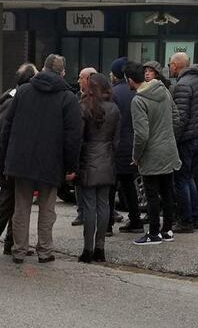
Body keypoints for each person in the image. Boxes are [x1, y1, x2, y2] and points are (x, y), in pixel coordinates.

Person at [1, 54, 82, 264]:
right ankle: (45, 251)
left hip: (21, 160)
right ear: (62, 72)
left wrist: (7, 155)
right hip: (51, 161)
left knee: (21, 207)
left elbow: (6, 126)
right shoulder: (68, 98)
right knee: (47, 208)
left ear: (43, 69)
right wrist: (71, 165)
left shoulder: (23, 91)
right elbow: (73, 136)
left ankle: (18, 250)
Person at [0, 63, 38, 261]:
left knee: (17, 204)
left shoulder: (15, 97)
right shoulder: (13, 101)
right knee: (7, 205)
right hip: (8, 163)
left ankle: (10, 244)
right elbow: (4, 136)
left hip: (12, 161)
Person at [125, 62, 182, 245]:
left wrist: (136, 156)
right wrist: (167, 136)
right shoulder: (164, 90)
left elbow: (141, 134)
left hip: (151, 153)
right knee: (167, 192)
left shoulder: (138, 100)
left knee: (151, 195)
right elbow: (176, 116)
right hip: (169, 150)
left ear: (131, 80)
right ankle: (167, 230)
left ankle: (154, 233)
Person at [76, 73, 121, 263]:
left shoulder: (85, 107)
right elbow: (117, 141)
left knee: (88, 207)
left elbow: (78, 138)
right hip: (107, 158)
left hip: (88, 159)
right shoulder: (114, 109)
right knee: (104, 205)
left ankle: (87, 249)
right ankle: (100, 248)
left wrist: (74, 162)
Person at [168, 52, 198, 232]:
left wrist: (174, 139)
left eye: (170, 64)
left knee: (181, 179)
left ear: (176, 65)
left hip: (187, 138)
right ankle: (195, 217)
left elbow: (181, 117)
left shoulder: (183, 85)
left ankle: (186, 220)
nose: (169, 67)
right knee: (190, 178)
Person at [110, 57, 144, 234]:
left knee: (109, 185)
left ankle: (107, 224)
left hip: (117, 144)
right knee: (128, 184)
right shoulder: (138, 91)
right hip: (134, 144)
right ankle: (136, 219)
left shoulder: (113, 93)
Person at [72, 66, 98, 227]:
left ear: (88, 79)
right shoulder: (77, 97)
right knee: (79, 182)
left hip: (90, 146)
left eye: (81, 77)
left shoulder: (96, 101)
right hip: (85, 147)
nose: (78, 80)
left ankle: (85, 213)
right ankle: (81, 212)